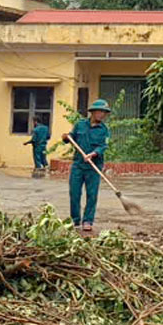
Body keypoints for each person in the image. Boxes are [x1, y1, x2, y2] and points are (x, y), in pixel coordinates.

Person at [63, 99, 111, 233]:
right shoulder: (80, 125)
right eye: (100, 111)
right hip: (78, 164)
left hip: (94, 166)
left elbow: (103, 146)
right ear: (93, 112)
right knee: (74, 193)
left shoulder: (104, 130)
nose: (102, 115)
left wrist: (93, 154)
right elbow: (71, 138)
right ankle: (75, 220)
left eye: (104, 112)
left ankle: (88, 221)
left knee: (92, 194)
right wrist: (66, 137)